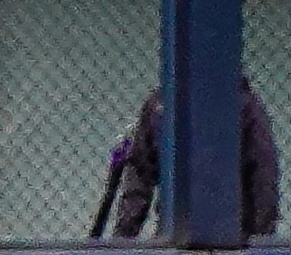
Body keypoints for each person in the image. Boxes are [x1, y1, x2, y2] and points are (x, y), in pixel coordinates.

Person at [109, 76, 280, 240]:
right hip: (221, 235)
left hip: (205, 234)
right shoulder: (160, 105)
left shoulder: (161, 104)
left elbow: (263, 176)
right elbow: (264, 175)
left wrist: (124, 235)